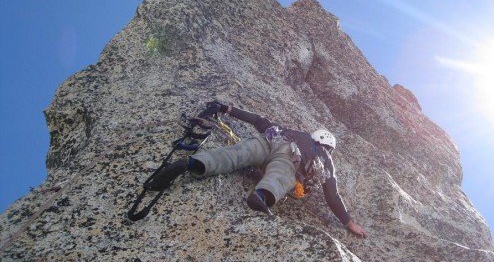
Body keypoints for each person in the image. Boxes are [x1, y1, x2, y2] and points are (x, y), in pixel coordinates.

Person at [145, 101, 366, 238]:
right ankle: (260, 196)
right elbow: (332, 193)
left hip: (269, 139)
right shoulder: (324, 156)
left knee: (233, 155)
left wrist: (226, 108)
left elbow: (259, 120)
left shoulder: (291, 130)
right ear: (328, 145)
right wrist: (349, 222)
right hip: (290, 159)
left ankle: (193, 164)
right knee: (280, 178)